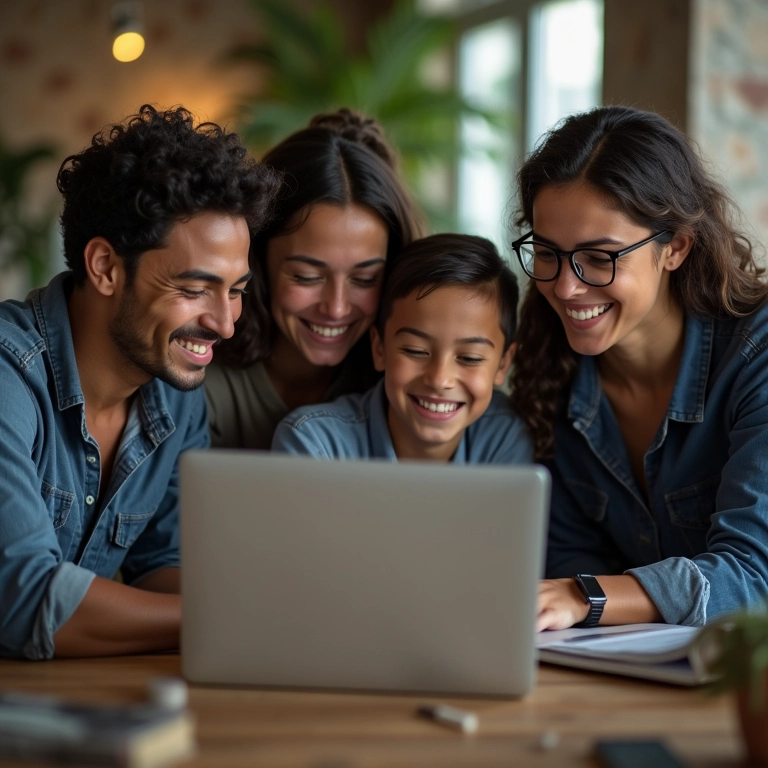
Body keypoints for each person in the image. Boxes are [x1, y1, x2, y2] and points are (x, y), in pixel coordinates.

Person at [0, 105, 280, 659]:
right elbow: (27, 601)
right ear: (105, 266)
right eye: (196, 288)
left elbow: (161, 566)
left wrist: (277, 606)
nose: (225, 323)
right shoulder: (9, 376)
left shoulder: (177, 399)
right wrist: (234, 618)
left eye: (236, 289)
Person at [507, 105, 768, 631]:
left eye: (600, 257)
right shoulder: (548, 367)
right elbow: (568, 562)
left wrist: (586, 599)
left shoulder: (755, 353)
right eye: (548, 253)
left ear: (675, 247)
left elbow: (753, 578)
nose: (565, 287)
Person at [205, 109, 423, 450]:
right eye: (307, 276)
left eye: (365, 279)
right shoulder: (201, 374)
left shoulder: (406, 383)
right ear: (257, 260)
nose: (335, 308)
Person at [273, 233, 531, 465]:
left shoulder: (506, 436)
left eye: (469, 358)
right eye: (416, 351)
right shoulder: (315, 446)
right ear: (380, 349)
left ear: (502, 364)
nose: (439, 379)